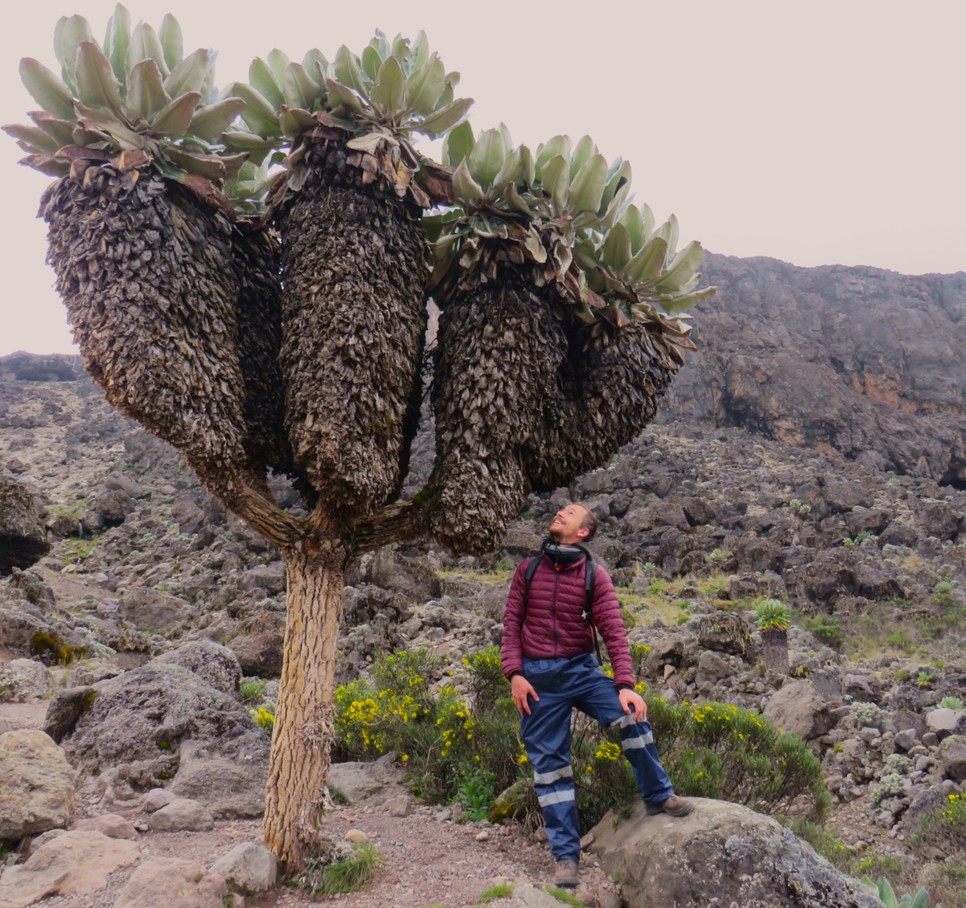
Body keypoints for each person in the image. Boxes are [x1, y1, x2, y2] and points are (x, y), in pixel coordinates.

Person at [500, 502, 693, 889]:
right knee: (551, 769)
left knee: (630, 716)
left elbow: (614, 633)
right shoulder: (529, 570)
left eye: (569, 513)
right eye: (560, 510)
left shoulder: (593, 575)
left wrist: (625, 685)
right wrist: (515, 675)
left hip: (581, 671)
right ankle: (566, 857)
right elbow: (511, 624)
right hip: (537, 679)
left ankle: (658, 795)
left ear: (583, 532)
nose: (559, 513)